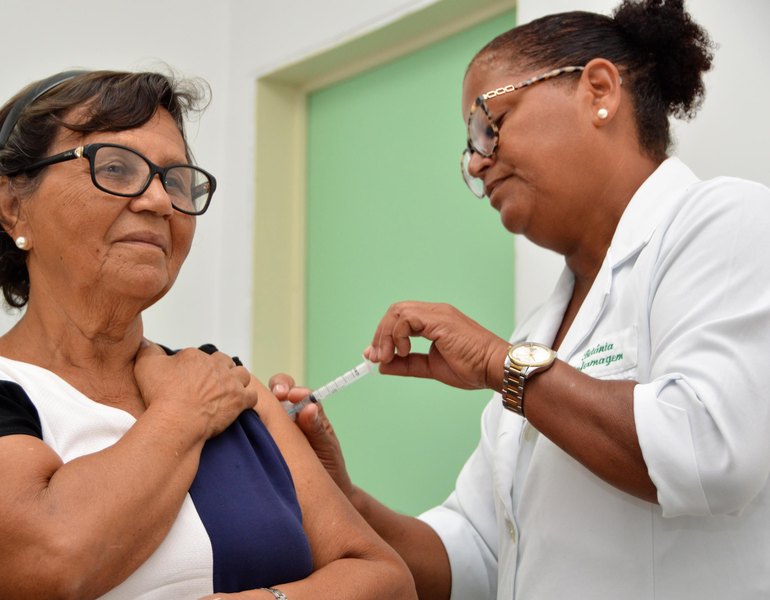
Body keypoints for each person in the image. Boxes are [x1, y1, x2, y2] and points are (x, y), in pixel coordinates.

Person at [273, 0, 770, 598]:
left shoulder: (728, 222)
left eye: (488, 125)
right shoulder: (538, 332)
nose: (476, 163)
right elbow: (477, 554)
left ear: (598, 91)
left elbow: (706, 449)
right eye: (470, 146)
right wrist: (338, 499)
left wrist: (497, 363)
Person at [0, 69, 417, 600]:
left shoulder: (224, 381)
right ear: (13, 206)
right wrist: (183, 414)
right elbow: (48, 560)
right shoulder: (203, 393)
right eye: (116, 167)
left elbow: (386, 578)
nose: (159, 201)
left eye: (176, 180)